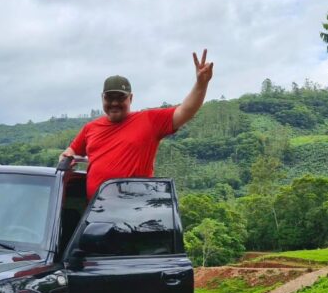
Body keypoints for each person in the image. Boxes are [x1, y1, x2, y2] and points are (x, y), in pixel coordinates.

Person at [60, 50, 214, 199]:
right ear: (102, 98)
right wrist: (66, 158)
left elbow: (186, 111)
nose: (114, 103)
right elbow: (71, 151)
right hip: (95, 215)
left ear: (131, 98)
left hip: (134, 213)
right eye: (109, 98)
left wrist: (201, 84)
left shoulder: (149, 120)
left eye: (120, 98)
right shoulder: (90, 128)